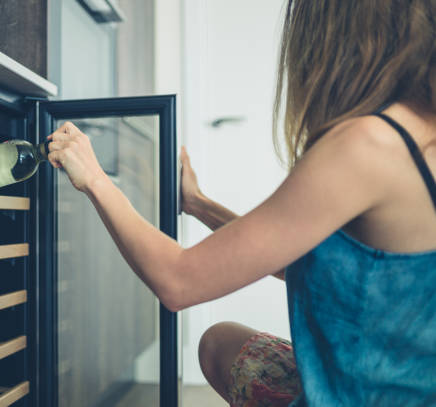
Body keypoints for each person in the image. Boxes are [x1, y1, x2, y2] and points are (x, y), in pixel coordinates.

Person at [46, 0, 436, 405]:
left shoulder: (368, 144)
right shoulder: (420, 134)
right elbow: (309, 260)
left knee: (222, 343)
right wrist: (198, 204)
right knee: (220, 342)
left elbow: (178, 282)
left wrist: (94, 177)